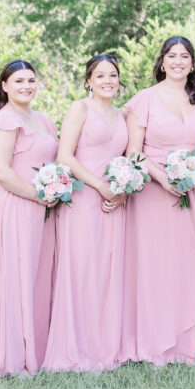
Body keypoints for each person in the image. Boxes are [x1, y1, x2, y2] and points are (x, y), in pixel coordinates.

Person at [120, 35, 195, 366]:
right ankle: (160, 342)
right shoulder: (144, 100)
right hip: (154, 194)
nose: (178, 61)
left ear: (192, 63)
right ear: (162, 62)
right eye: (171, 55)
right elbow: (133, 152)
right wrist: (165, 179)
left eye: (184, 56)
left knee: (194, 263)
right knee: (159, 266)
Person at [0, 60, 58, 375]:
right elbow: (1, 171)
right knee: (14, 277)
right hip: (16, 205)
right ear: (4, 85)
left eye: (31, 80)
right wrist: (36, 195)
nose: (27, 86)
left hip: (44, 209)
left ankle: (38, 348)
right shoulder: (5, 120)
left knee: (37, 276)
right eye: (19, 81)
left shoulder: (42, 119)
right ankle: (11, 354)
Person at [43, 54, 128, 372]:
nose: (108, 80)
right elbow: (65, 156)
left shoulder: (122, 114)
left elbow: (125, 159)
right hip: (83, 197)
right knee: (82, 269)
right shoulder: (80, 108)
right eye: (101, 75)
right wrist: (99, 186)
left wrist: (122, 192)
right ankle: (74, 350)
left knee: (107, 272)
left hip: (113, 202)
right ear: (89, 80)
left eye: (113, 75)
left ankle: (104, 348)